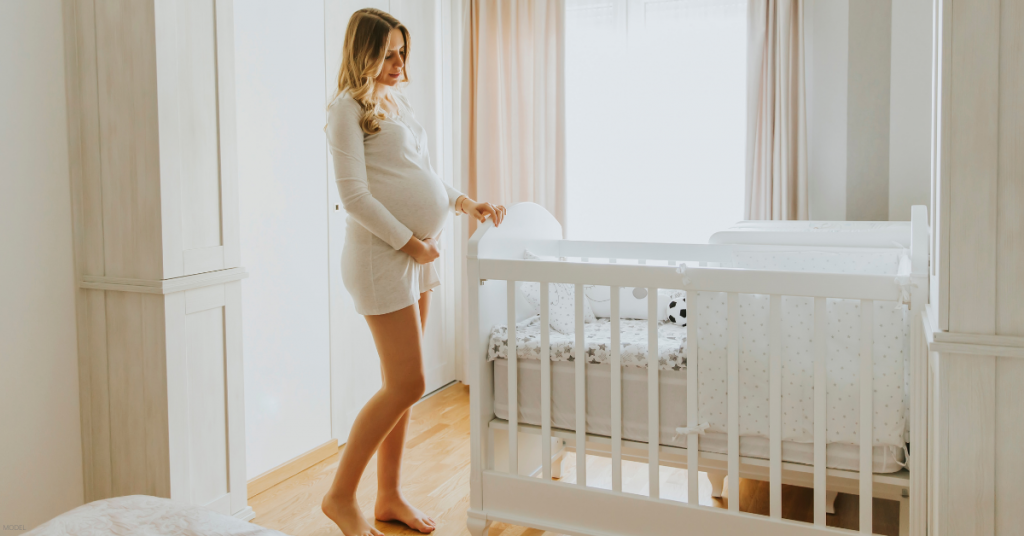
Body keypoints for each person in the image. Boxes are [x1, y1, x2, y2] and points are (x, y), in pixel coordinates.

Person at [320, 8, 504, 536]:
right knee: (408, 383)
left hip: (413, 257)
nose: (399, 62)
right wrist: (410, 243)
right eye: (388, 53)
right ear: (364, 53)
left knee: (399, 385)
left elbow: (420, 175)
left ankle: (389, 494)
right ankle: (338, 497)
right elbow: (354, 197)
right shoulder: (345, 110)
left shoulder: (393, 102)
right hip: (382, 259)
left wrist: (466, 203)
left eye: (403, 51)